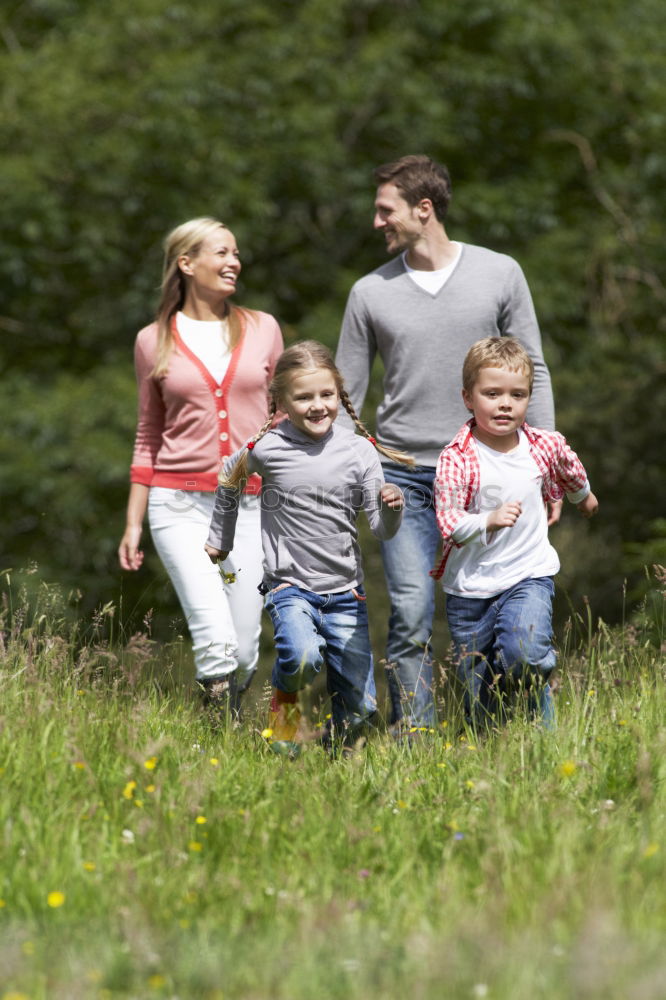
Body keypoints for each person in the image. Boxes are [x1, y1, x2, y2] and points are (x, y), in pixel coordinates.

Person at [335, 154, 557, 731]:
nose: (377, 221)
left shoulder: (500, 272)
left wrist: (549, 464)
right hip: (402, 478)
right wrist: (346, 479)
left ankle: (505, 730)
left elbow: (534, 368)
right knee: (410, 612)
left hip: (490, 473)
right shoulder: (368, 293)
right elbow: (345, 397)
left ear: (423, 208)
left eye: (386, 210)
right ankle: (415, 742)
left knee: (494, 608)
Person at [204, 341, 411, 754]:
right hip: (289, 588)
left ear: (339, 394)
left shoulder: (358, 451)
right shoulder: (267, 448)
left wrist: (392, 508)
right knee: (301, 659)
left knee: (362, 708)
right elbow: (229, 477)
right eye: (304, 397)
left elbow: (381, 531)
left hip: (346, 593)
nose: (318, 406)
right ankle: (284, 708)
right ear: (280, 400)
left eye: (326, 395)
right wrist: (219, 539)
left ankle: (338, 750)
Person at [118, 217, 283, 714]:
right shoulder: (153, 340)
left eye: (236, 253)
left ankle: (224, 729)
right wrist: (132, 521)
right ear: (186, 263)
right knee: (214, 632)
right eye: (221, 253)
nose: (234, 262)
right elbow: (148, 433)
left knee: (246, 641)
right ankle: (218, 740)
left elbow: (281, 420)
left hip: (250, 507)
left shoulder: (263, 328)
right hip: (180, 507)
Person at [432, 337, 598, 727]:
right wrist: (486, 519)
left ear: (528, 399)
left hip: (528, 574)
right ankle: (496, 749)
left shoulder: (542, 444)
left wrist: (584, 498)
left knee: (525, 653)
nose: (505, 403)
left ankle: (543, 734)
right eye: (492, 393)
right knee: (480, 696)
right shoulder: (456, 458)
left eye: (517, 394)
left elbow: (569, 466)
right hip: (469, 589)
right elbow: (449, 523)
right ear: (468, 398)